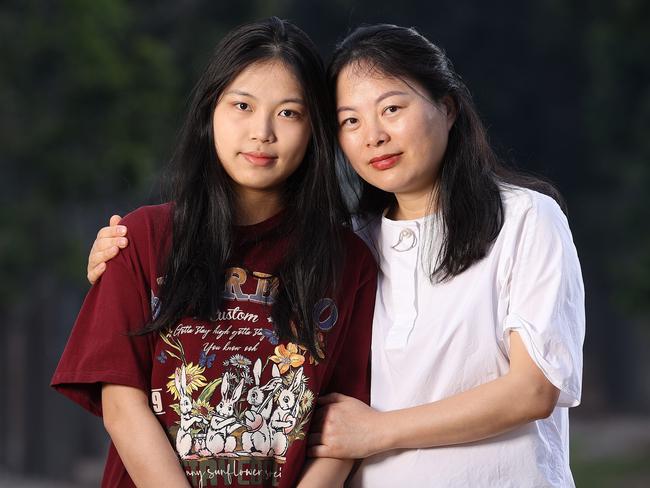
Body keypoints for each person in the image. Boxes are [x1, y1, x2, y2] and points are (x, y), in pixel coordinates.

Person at [85, 23, 585, 488]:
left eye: (392, 109)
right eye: (351, 119)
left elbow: (533, 389)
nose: (374, 135)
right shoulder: (353, 242)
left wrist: (376, 432)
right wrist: (117, 260)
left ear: (448, 108)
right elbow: (124, 395)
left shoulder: (521, 220)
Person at [52, 18, 377, 488]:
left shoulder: (348, 261)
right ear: (210, 112)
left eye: (289, 113)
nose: (262, 132)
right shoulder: (142, 237)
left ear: (315, 131)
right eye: (242, 105)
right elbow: (122, 406)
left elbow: (343, 424)